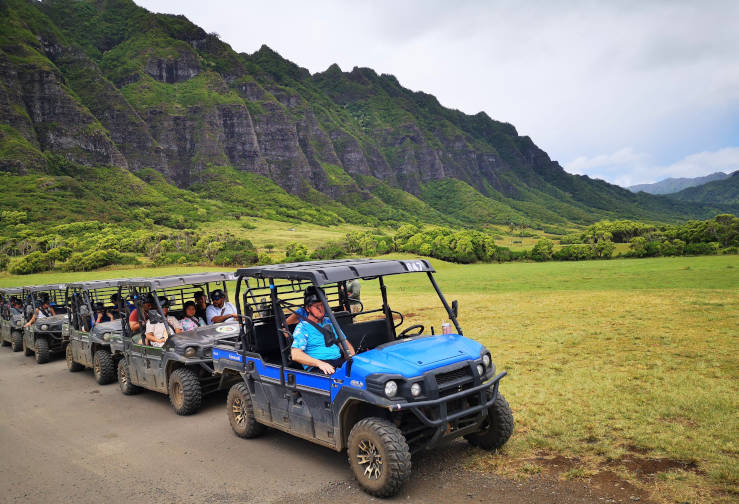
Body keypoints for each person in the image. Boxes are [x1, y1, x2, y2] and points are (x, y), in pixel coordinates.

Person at [290, 286, 355, 374]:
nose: (321, 309)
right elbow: (295, 355)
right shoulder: (302, 328)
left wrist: (352, 360)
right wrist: (320, 363)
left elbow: (343, 342)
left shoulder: (329, 322)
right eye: (317, 306)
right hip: (318, 366)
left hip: (338, 362)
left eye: (323, 305)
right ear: (308, 308)